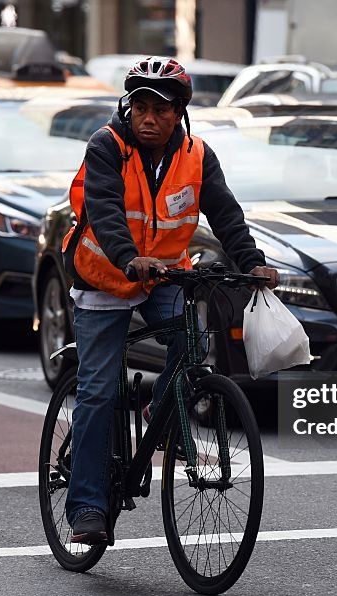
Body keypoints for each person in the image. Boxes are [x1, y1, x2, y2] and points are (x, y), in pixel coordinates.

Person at [61, 56, 279, 544]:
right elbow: (105, 210)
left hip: (162, 278)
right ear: (128, 107)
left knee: (192, 341)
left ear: (180, 111)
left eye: (161, 108)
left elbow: (226, 215)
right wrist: (127, 257)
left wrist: (253, 262)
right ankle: (88, 508)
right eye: (140, 105)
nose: (149, 117)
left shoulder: (197, 155)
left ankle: (160, 417)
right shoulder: (107, 147)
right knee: (98, 391)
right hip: (105, 277)